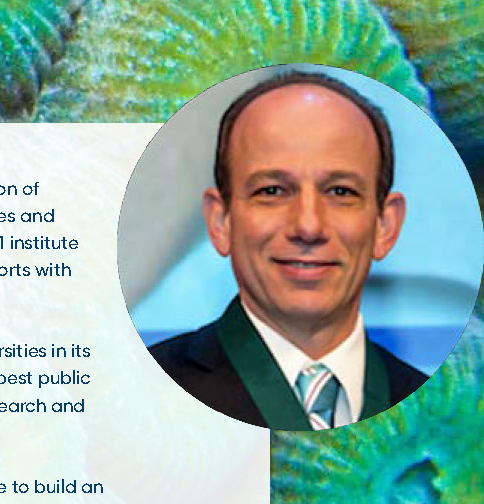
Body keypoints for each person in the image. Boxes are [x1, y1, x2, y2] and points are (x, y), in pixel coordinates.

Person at [149, 70, 428, 429]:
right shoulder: (149, 386)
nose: (308, 227)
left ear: (385, 226)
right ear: (221, 222)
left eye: (341, 192)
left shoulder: (429, 403)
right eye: (272, 191)